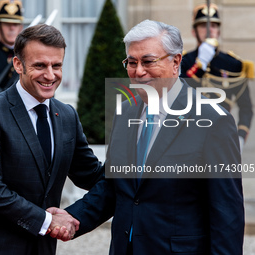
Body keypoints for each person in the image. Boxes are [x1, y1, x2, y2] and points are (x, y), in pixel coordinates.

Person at [49, 19, 244, 255]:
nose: (138, 71)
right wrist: (72, 217)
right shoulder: (126, 114)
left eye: (148, 61)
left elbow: (227, 214)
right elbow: (115, 187)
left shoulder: (213, 121)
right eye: (131, 62)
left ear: (176, 62)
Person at [0, 24, 104, 255]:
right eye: (40, 65)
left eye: (56, 65)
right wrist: (49, 222)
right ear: (18, 64)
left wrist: (134, 161)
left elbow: (92, 175)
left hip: (40, 248)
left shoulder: (67, 115)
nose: (50, 75)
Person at [180, 3, 253, 153]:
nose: (209, 30)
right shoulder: (184, 61)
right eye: (203, 26)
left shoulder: (233, 64)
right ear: (194, 32)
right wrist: (199, 66)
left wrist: (240, 136)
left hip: (222, 137)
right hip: (189, 136)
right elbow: (177, 95)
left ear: (219, 31)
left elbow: (246, 107)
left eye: (213, 26)